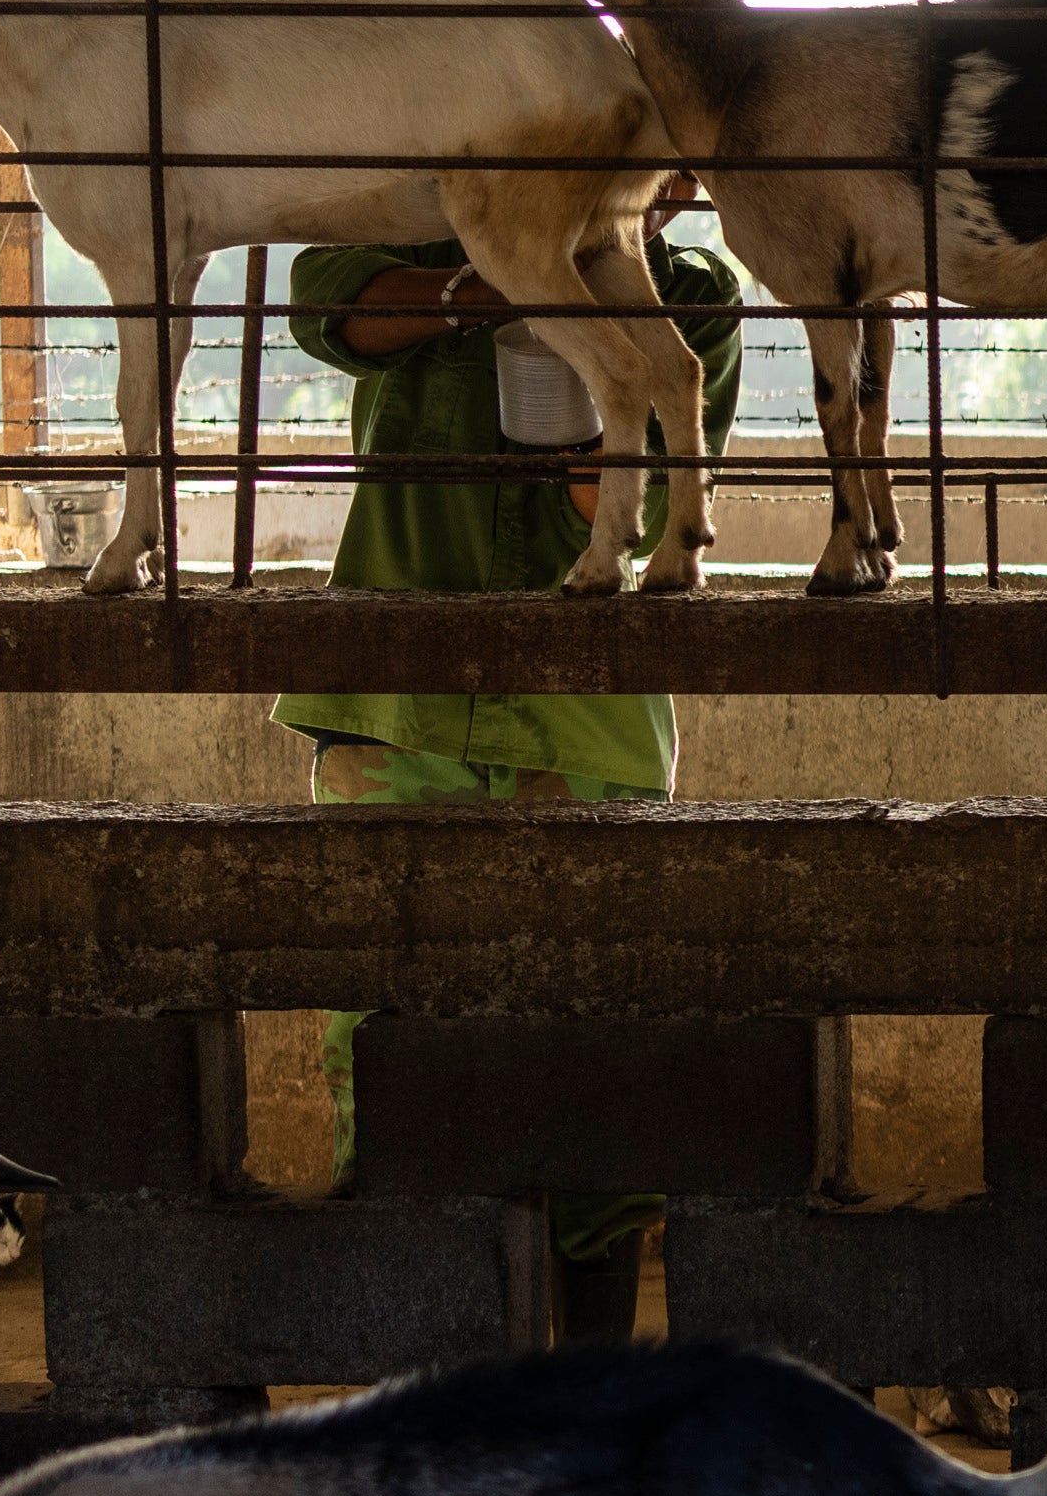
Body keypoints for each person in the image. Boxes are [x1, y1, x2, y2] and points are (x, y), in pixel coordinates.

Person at [277, 186, 745, 1345]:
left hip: (579, 722)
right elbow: (323, 307)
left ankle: (583, 1393)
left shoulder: (686, 295)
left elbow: (626, 519)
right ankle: (440, 1385)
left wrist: (606, 372)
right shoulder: (400, 243)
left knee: (598, 1047)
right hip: (399, 706)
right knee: (392, 1049)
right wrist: (494, 286)